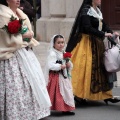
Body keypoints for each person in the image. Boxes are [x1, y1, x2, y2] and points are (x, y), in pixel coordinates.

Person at [0, 0, 51, 120]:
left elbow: (28, 29)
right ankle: (17, 114)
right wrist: (24, 35)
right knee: (16, 86)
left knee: (31, 82)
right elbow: (5, 36)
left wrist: (29, 34)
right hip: (12, 54)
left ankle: (34, 111)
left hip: (25, 52)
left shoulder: (19, 13)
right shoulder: (2, 14)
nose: (18, 0)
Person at [66, 0, 120, 105]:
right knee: (86, 68)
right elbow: (87, 28)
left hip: (97, 43)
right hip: (86, 43)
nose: (100, 0)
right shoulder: (86, 11)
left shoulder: (97, 10)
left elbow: (103, 24)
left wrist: (112, 33)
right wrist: (103, 34)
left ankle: (105, 95)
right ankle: (80, 95)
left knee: (101, 69)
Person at [44, 35, 75, 115]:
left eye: (62, 42)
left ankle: (66, 108)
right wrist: (59, 66)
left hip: (63, 76)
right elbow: (50, 65)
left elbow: (68, 62)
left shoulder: (63, 52)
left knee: (66, 91)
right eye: (58, 43)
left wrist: (68, 64)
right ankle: (50, 108)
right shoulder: (52, 53)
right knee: (56, 92)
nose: (61, 44)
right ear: (54, 44)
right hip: (55, 76)